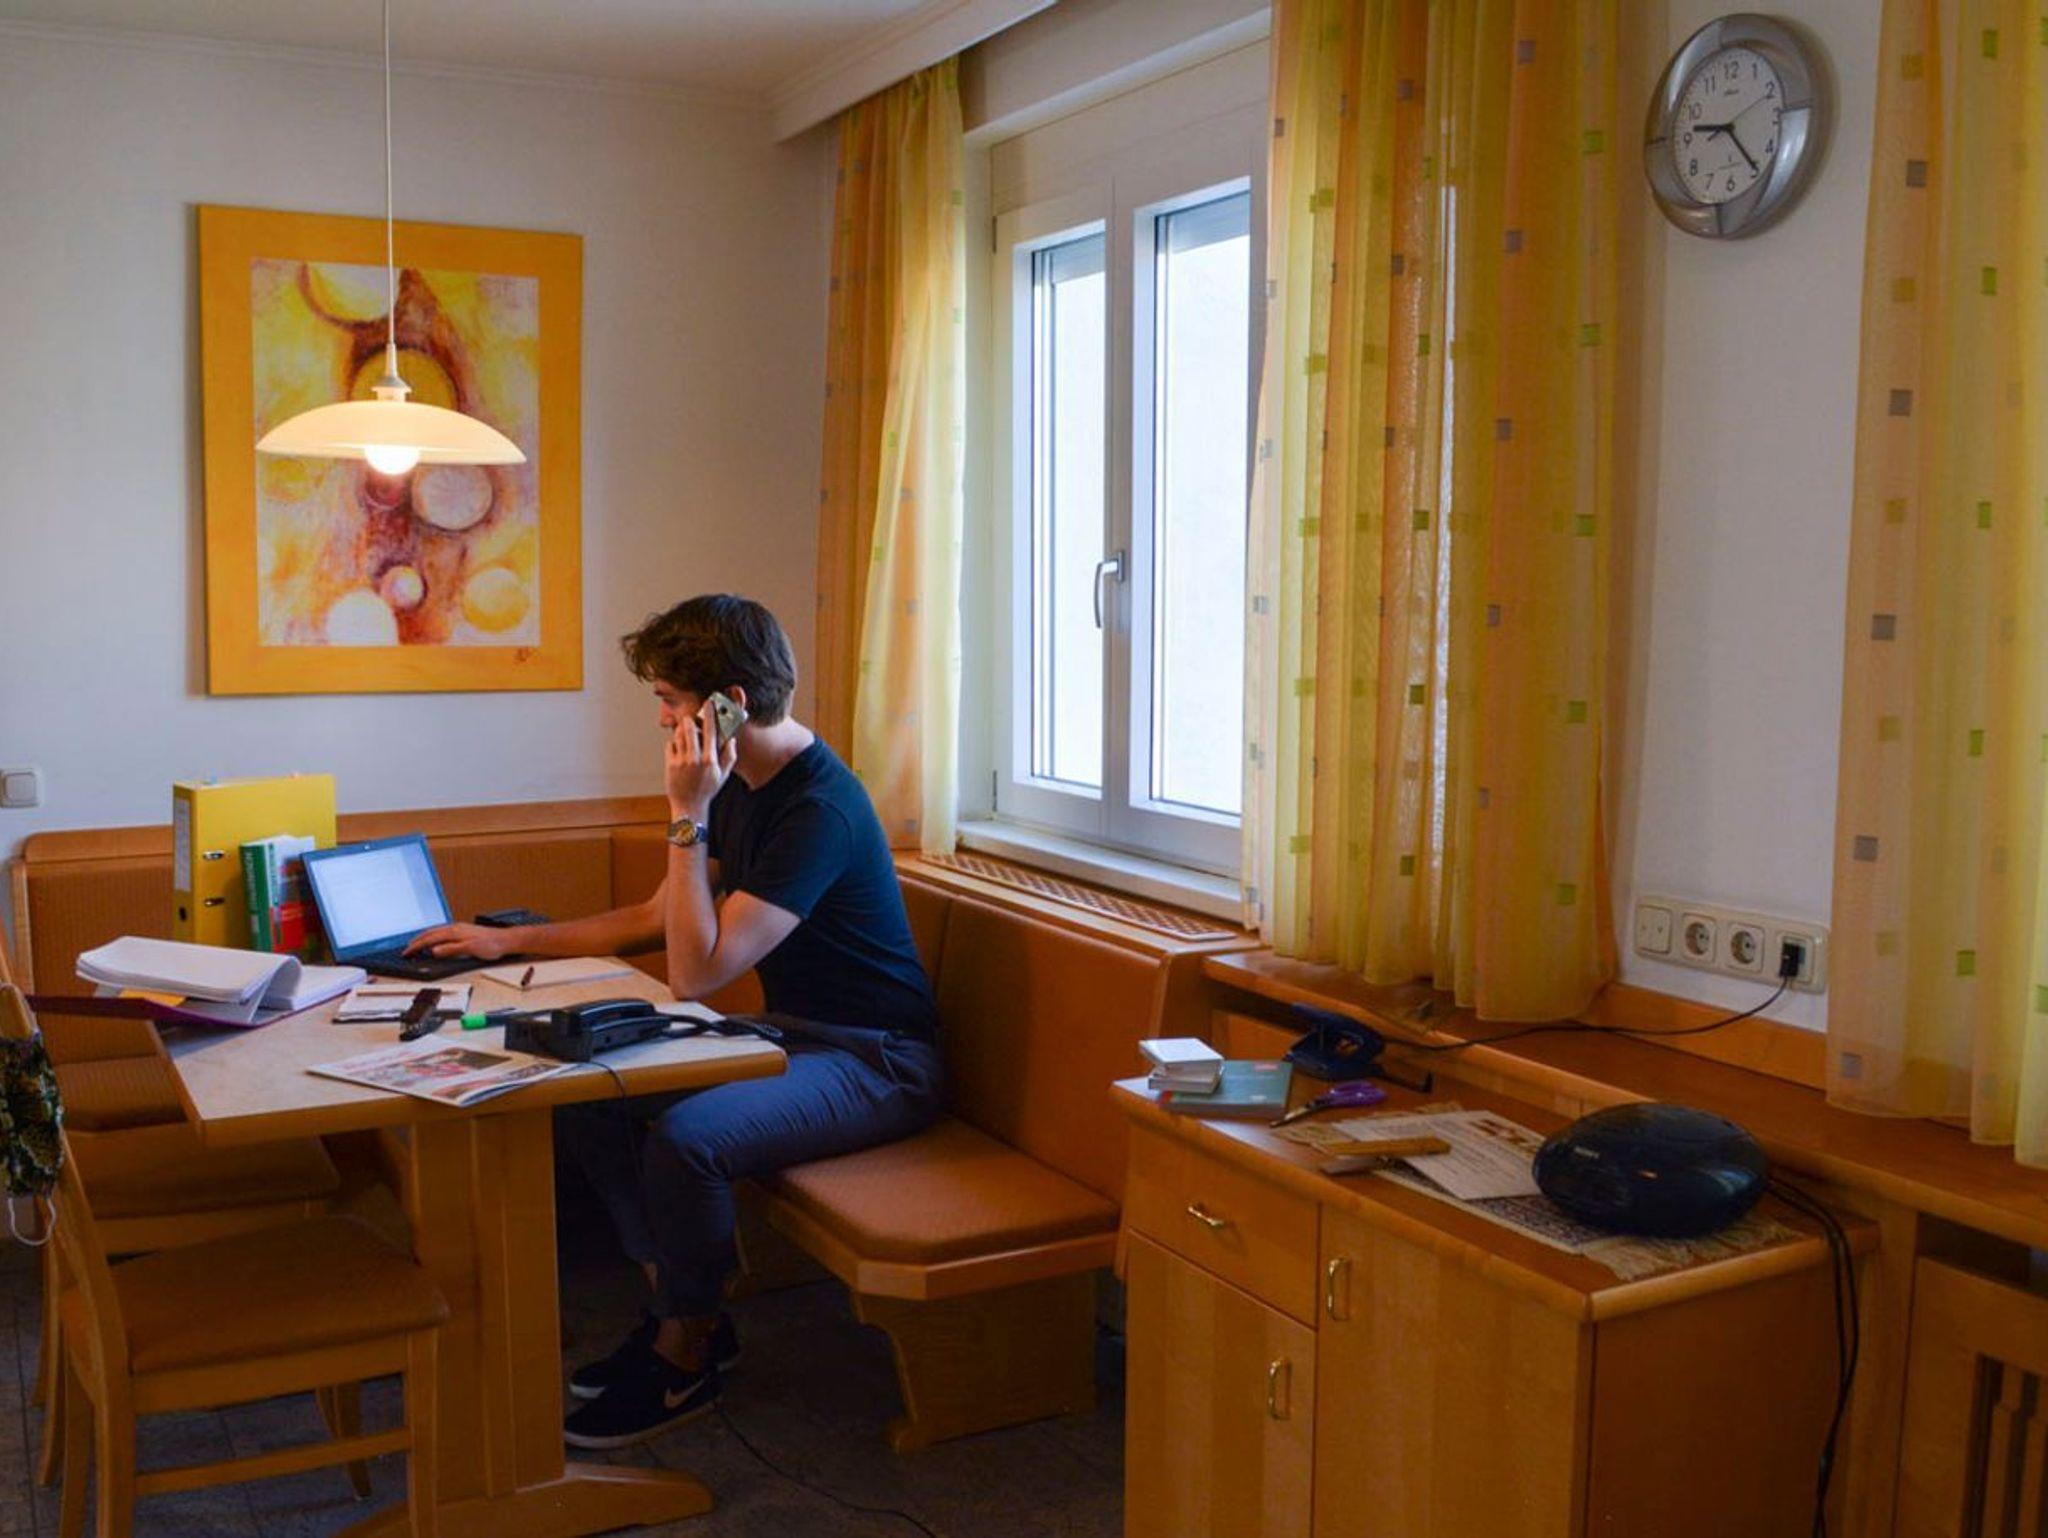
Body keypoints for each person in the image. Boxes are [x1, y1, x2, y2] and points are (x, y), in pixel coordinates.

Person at [407, 594, 943, 1448]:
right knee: (587, 1093)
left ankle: (683, 1354)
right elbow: (661, 915)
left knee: (689, 1142)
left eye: (668, 699)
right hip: (795, 1036)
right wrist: (506, 941)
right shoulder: (743, 785)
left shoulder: (818, 810)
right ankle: (683, 1312)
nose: (661, 718)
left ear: (727, 704)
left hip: (878, 1061)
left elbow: (695, 974)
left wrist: (686, 811)